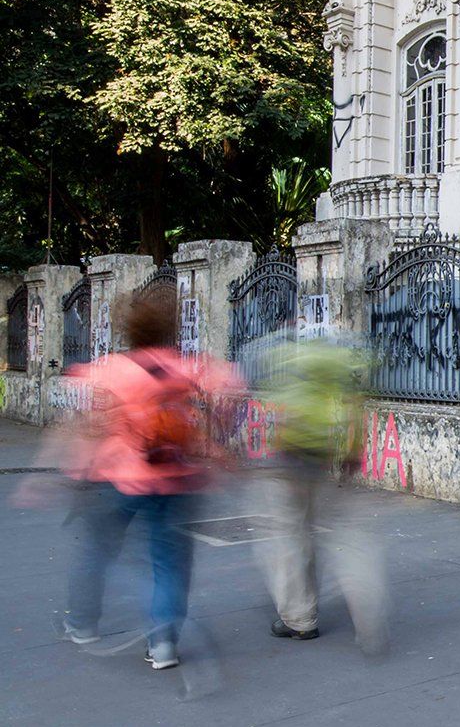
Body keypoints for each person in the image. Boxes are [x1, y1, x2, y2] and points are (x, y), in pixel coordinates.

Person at [61, 285, 240, 670]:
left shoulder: (114, 369)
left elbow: (86, 412)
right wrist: (216, 445)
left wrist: (79, 467)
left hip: (121, 481)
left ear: (132, 330)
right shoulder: (187, 367)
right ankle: (163, 645)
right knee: (170, 563)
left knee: (99, 550)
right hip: (178, 480)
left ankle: (82, 623)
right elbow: (229, 391)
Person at [252, 316, 387, 650]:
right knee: (341, 536)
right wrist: (354, 449)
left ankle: (300, 618)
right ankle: (370, 615)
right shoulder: (337, 359)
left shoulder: (284, 357)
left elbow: (280, 409)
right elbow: (354, 403)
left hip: (292, 456)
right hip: (325, 455)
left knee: (290, 537)